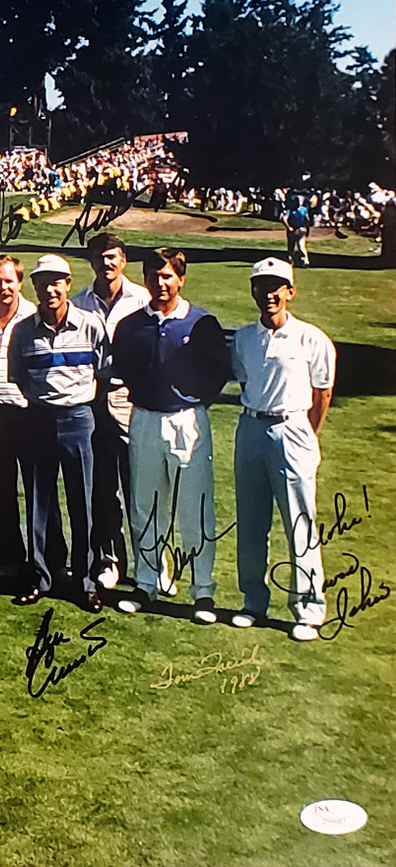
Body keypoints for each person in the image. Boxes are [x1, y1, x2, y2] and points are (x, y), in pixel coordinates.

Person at [112, 249, 229, 622]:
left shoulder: (200, 323)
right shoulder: (131, 325)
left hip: (186, 422)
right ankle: (147, 583)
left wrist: (194, 402)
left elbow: (217, 373)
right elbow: (125, 370)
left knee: (194, 509)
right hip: (144, 418)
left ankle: (203, 593)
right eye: (153, 275)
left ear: (180, 279)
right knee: (145, 506)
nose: (159, 284)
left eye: (167, 276)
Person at [230, 257, 335, 641]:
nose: (269, 293)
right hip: (251, 428)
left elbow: (322, 392)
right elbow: (244, 379)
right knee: (252, 520)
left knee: (299, 521)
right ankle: (253, 602)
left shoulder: (312, 338)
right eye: (261, 286)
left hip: (292, 428)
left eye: (277, 286)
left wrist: (305, 432)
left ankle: (309, 609)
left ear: (290, 292)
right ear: (253, 291)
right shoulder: (242, 338)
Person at [9, 254, 110, 612]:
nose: (50, 289)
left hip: (79, 419)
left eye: (57, 282)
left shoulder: (91, 324)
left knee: (82, 501)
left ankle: (84, 581)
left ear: (68, 285)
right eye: (42, 283)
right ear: (34, 287)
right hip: (38, 418)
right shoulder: (23, 330)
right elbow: (18, 377)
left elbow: (104, 371)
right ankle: (41, 576)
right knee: (38, 501)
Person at [70, 232, 153, 591]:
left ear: (124, 261)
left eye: (113, 257)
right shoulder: (78, 303)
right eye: (100, 257)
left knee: (140, 486)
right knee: (103, 487)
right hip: (92, 398)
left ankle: (151, 562)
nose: (107, 264)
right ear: (91, 262)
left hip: (132, 397)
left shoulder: (142, 299)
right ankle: (109, 558)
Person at [0, 255, 61, 594]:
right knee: (0, 491)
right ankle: (10, 559)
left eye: (9, 280)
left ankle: (51, 562)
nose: (3, 286)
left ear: (20, 283)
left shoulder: (34, 316)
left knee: (40, 492)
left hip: (32, 414)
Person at [284, 197, 310, 267]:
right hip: (292, 230)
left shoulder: (303, 210)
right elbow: (284, 219)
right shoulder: (290, 210)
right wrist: (289, 227)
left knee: (301, 245)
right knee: (291, 246)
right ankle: (290, 260)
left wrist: (307, 228)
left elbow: (307, 220)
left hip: (300, 229)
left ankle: (305, 260)